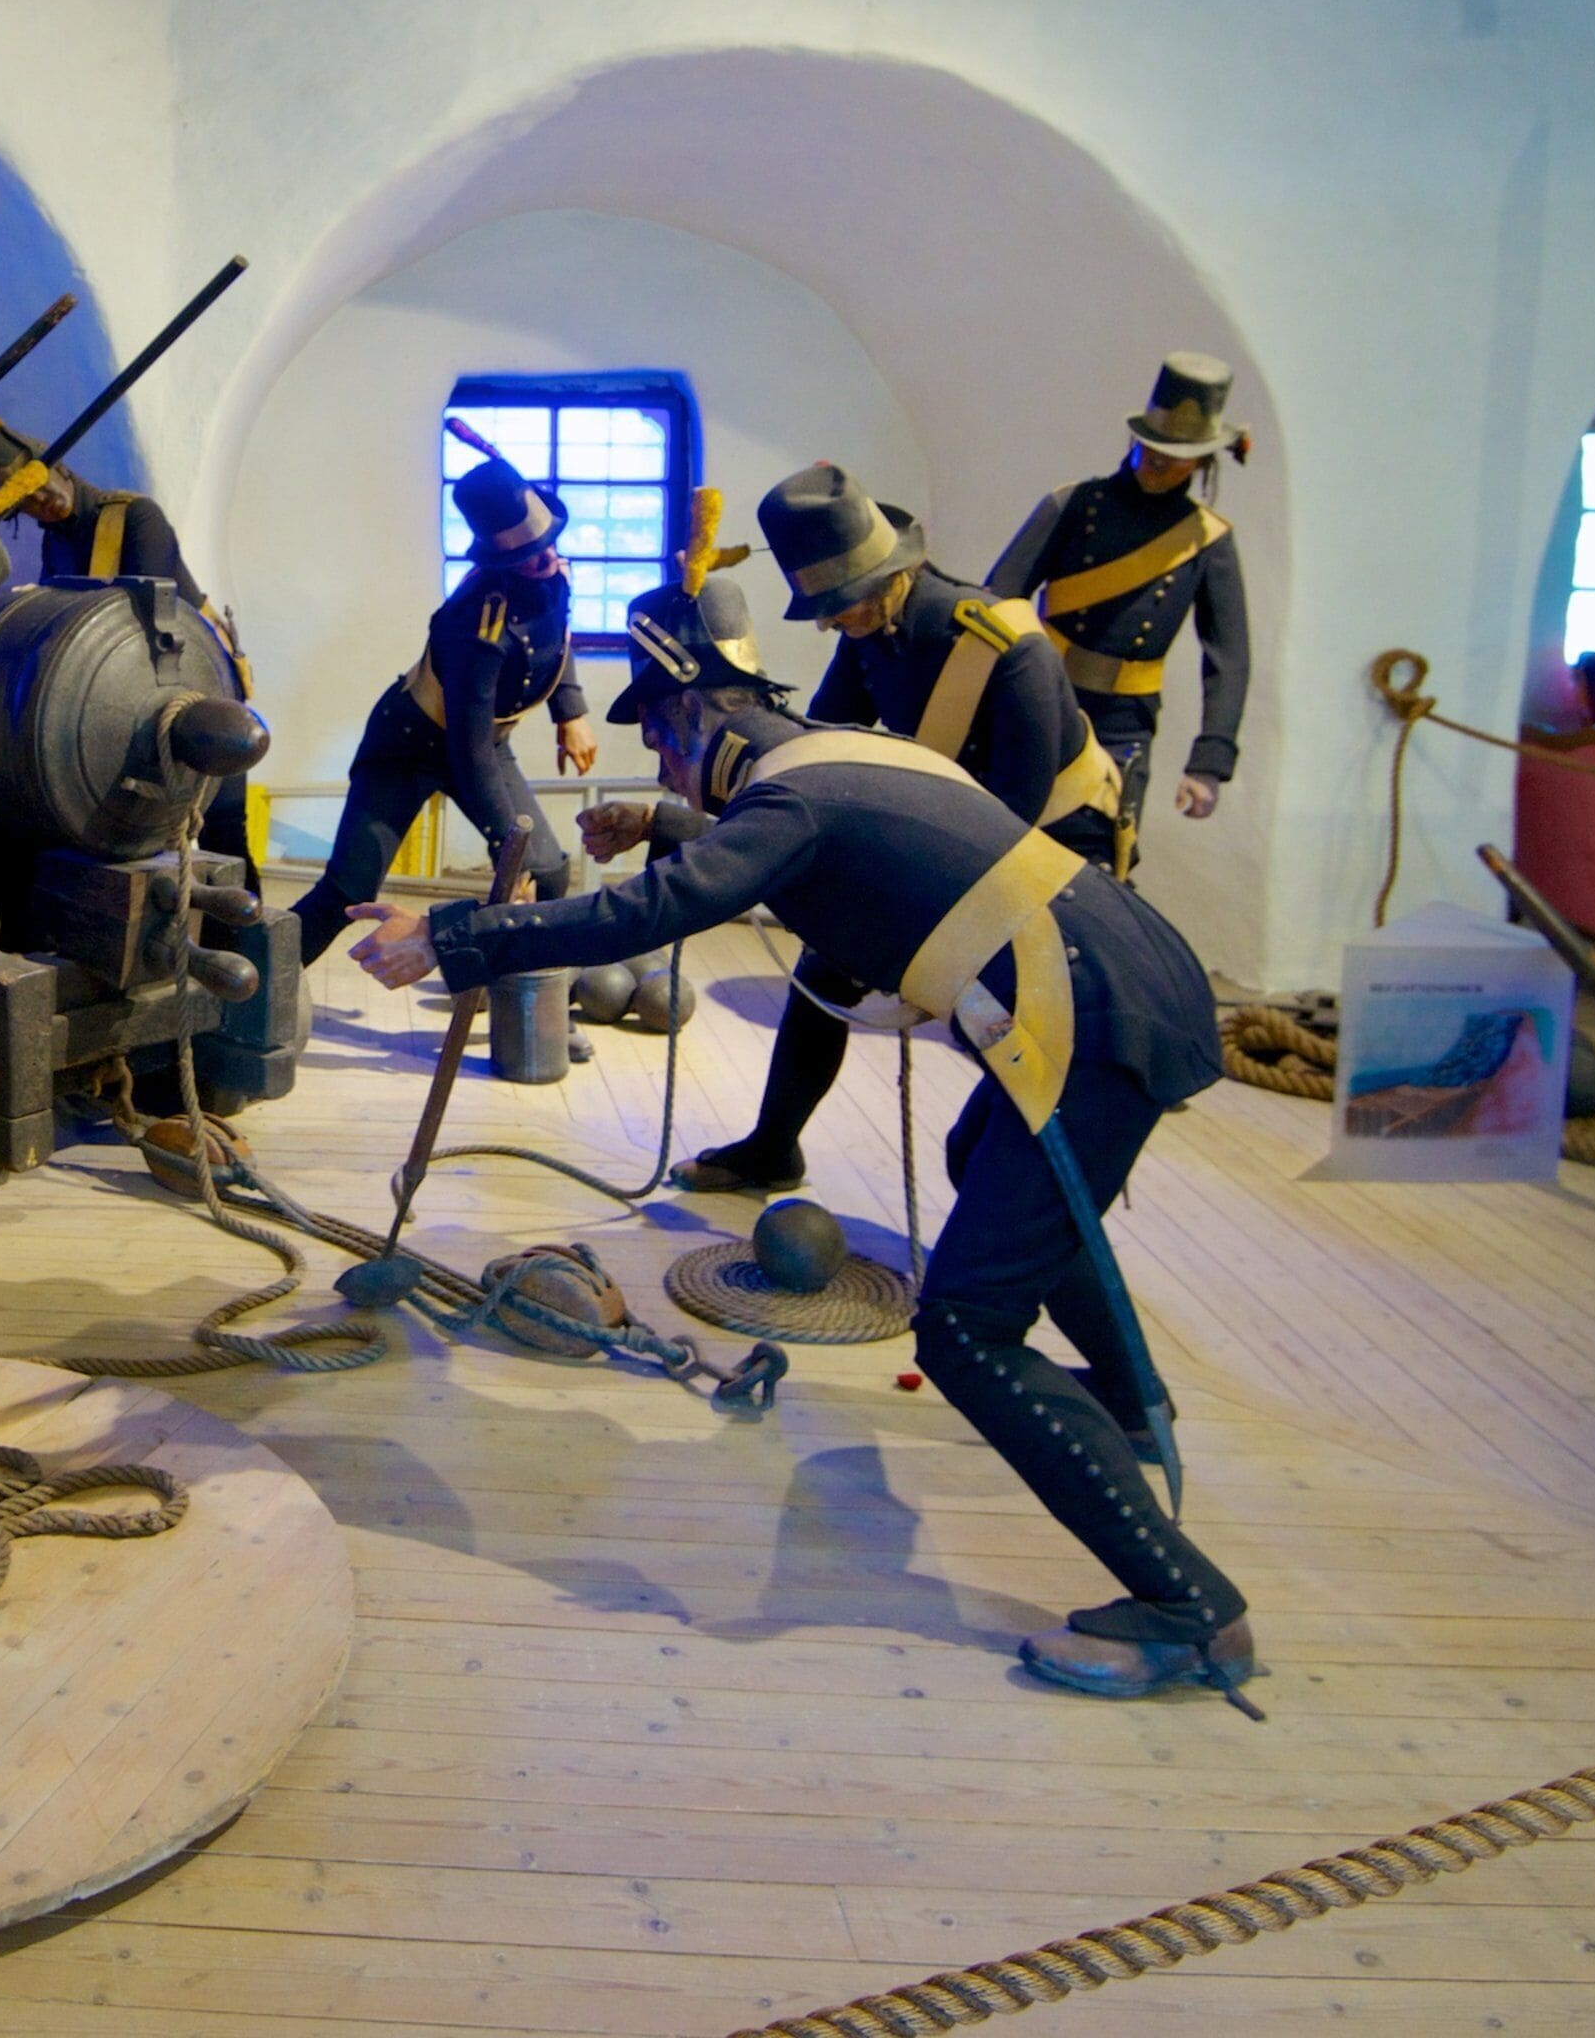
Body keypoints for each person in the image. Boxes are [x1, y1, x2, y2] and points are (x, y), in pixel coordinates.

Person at [341, 580, 1253, 1705]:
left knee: (967, 1334)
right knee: (983, 1170)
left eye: (663, 747)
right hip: (1136, 969)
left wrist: (453, 934)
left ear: (694, 723)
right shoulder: (839, 751)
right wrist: (672, 827)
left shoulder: (788, 801)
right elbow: (831, 842)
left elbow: (654, 915)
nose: (667, 771)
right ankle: (1123, 1402)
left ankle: (1191, 1609)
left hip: (1089, 1024)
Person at [670, 465, 1124, 1194]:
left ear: (891, 576)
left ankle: (1023, 1190)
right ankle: (774, 1146)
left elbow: (1018, 805)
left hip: (1053, 844)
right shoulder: (869, 629)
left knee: (1011, 1019)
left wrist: (906, 902)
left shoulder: (1007, 646)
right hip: (960, 823)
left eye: (836, 603)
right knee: (826, 965)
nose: (825, 621)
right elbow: (818, 742)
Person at [288, 452, 596, 963]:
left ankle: (522, 1008)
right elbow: (468, 750)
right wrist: (507, 846)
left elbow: (556, 638)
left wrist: (571, 711)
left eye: (546, 545)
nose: (545, 559)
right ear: (498, 559)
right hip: (407, 750)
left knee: (548, 873)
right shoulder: (476, 622)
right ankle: (250, 993)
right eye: (528, 554)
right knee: (347, 891)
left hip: (485, 745)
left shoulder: (551, 576)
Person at [981, 353, 1257, 874]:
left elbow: (1230, 660)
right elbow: (999, 602)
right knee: (1009, 852)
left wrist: (1209, 764)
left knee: (1106, 864)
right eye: (1153, 447)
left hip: (1125, 725)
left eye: (1178, 454)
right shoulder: (1074, 505)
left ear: (1203, 462)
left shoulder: (1209, 541)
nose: (1159, 461)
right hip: (1041, 696)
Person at [0, 421, 255, 859]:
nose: (40, 503)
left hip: (193, 681)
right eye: (25, 503)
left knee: (226, 832)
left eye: (39, 488)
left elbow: (146, 611)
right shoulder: (55, 545)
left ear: (59, 469)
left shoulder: (135, 517)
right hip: (128, 695)